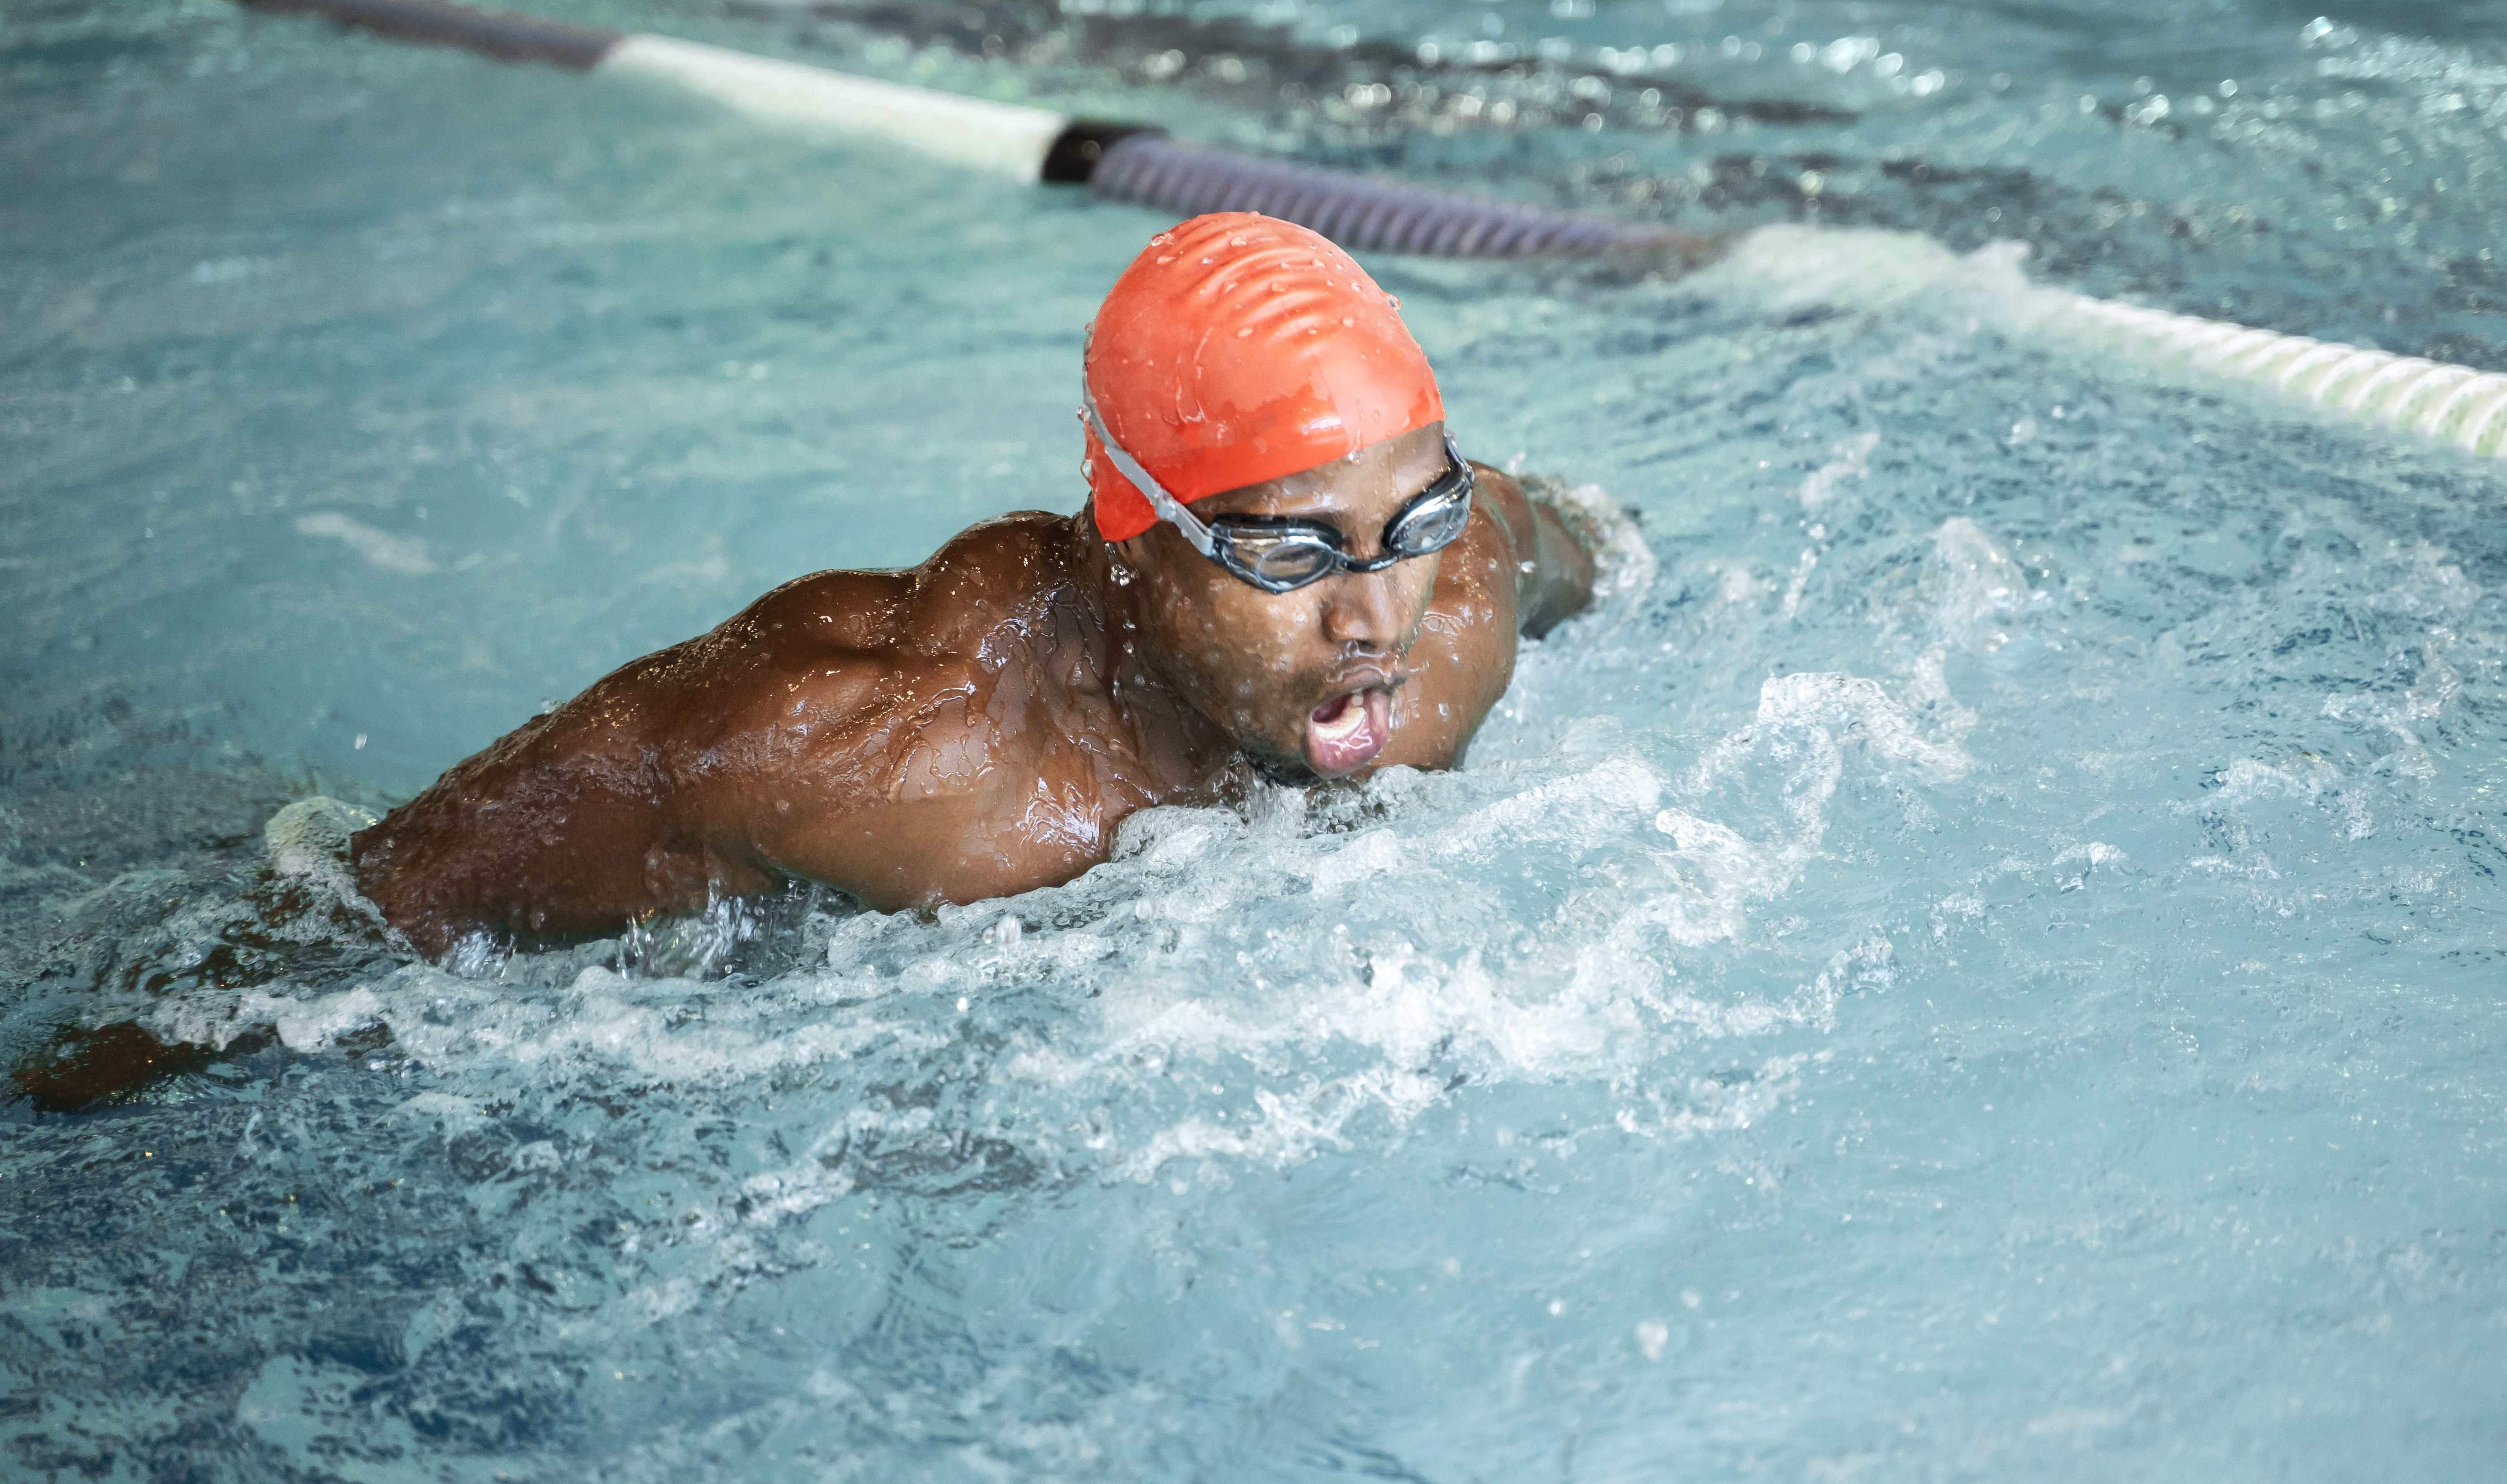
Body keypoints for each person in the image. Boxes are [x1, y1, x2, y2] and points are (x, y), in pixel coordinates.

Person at [351, 212, 1603, 956]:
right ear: (1131, 524)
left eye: (1413, 521)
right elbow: (353, 924)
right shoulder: (863, 747)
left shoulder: (1466, 589)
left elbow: (1608, 544)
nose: (1375, 616)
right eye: (1289, 553)